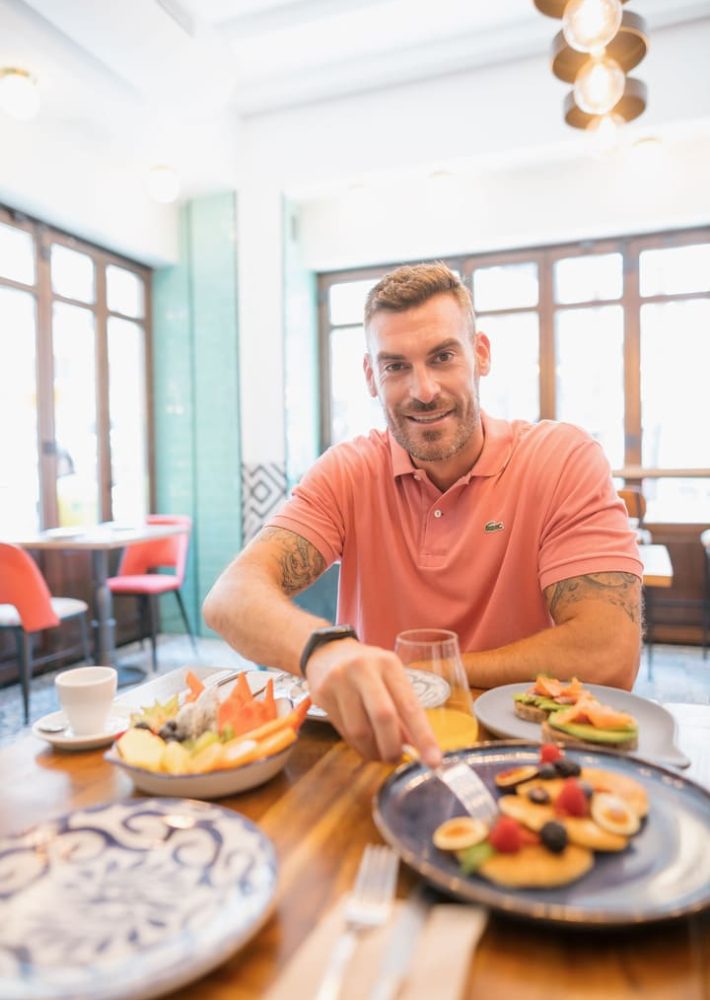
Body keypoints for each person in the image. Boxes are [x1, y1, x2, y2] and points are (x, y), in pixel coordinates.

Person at [203, 262, 642, 767]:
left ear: (480, 354)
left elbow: (608, 653)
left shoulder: (561, 458)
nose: (424, 389)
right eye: (395, 366)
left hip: (529, 752)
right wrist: (323, 651)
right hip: (384, 750)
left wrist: (424, 672)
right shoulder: (348, 470)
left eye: (442, 357)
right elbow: (229, 598)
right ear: (371, 376)